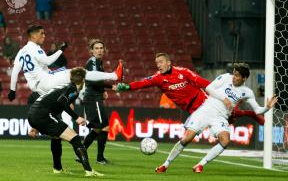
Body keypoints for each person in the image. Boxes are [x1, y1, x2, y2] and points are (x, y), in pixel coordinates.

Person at [153, 63, 277, 173]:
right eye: (234, 74)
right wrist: (224, 98)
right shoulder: (225, 78)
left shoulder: (247, 92)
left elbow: (257, 110)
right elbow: (209, 88)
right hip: (206, 110)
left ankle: (200, 164)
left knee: (225, 141)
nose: (234, 77)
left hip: (221, 117)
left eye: (237, 76)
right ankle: (165, 164)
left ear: (244, 78)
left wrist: (266, 108)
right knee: (186, 139)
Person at [115, 53, 264, 125]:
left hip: (202, 100)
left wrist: (215, 92)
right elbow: (141, 83)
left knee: (231, 115)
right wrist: (126, 86)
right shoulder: (157, 78)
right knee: (227, 119)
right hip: (190, 108)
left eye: (160, 62)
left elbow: (201, 81)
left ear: (168, 62)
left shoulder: (183, 72)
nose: (158, 65)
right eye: (156, 63)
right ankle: (245, 115)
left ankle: (251, 114)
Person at [8, 24, 123, 101]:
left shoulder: (21, 52)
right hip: (46, 81)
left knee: (64, 100)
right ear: (33, 36)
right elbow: (48, 61)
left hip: (38, 88)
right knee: (79, 72)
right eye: (41, 33)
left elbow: (14, 73)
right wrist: (61, 50)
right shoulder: (35, 48)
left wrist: (12, 91)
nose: (44, 35)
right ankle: (114, 76)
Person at [28, 67, 103, 177]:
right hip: (43, 114)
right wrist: (76, 118)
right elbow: (62, 101)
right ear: (83, 80)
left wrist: (36, 126)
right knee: (75, 138)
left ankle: (57, 168)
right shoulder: (72, 89)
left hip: (35, 113)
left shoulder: (65, 87)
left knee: (56, 137)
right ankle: (89, 171)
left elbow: (59, 103)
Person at [78, 39, 112, 165]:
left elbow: (96, 80)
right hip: (93, 98)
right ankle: (100, 158)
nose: (99, 50)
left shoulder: (98, 63)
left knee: (98, 128)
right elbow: (92, 80)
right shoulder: (93, 62)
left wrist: (102, 90)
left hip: (94, 97)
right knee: (104, 127)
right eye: (96, 48)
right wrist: (110, 86)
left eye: (101, 48)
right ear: (91, 51)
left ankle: (81, 151)